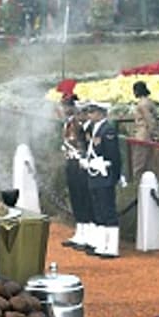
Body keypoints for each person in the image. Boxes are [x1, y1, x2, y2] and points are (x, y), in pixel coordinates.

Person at [82, 101, 121, 258]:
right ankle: (100, 243)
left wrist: (110, 170)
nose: (90, 115)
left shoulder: (108, 130)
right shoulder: (94, 128)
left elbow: (113, 156)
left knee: (107, 210)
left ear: (101, 113)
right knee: (98, 209)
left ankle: (111, 246)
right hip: (94, 174)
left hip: (104, 174)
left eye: (93, 112)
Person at [58, 84, 94, 251]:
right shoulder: (68, 123)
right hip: (71, 162)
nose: (64, 109)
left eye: (66, 106)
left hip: (80, 164)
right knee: (76, 199)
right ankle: (80, 231)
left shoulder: (80, 124)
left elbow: (85, 144)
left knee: (83, 198)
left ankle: (88, 234)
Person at [130, 80, 159, 181]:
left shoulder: (142, 104)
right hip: (147, 135)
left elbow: (149, 120)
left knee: (139, 163)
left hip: (143, 136)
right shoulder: (149, 101)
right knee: (150, 162)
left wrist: (154, 134)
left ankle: (136, 184)